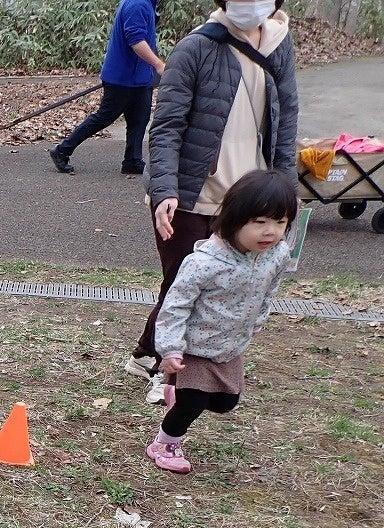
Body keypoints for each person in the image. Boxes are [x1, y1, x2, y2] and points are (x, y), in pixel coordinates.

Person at [128, 0, 298, 405]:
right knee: (182, 284)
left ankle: (146, 353)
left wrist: (286, 193)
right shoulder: (196, 47)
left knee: (225, 287)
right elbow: (166, 127)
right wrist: (165, 190)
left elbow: (287, 119)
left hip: (250, 200)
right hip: (191, 194)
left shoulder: (279, 44)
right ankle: (168, 373)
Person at [145, 170, 295, 474]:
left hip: (230, 344)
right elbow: (175, 306)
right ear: (234, 218)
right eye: (260, 222)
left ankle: (177, 393)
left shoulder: (277, 254)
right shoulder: (205, 262)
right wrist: (170, 349)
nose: (270, 232)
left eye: (280, 222)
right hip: (194, 345)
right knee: (193, 401)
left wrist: (258, 319)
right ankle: (165, 443)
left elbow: (270, 288)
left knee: (226, 402)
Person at [48, 0, 164, 176]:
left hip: (139, 77)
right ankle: (62, 150)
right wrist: (158, 65)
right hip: (122, 77)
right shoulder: (137, 4)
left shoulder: (147, 3)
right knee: (105, 116)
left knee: (139, 118)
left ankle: (132, 160)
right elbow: (136, 40)